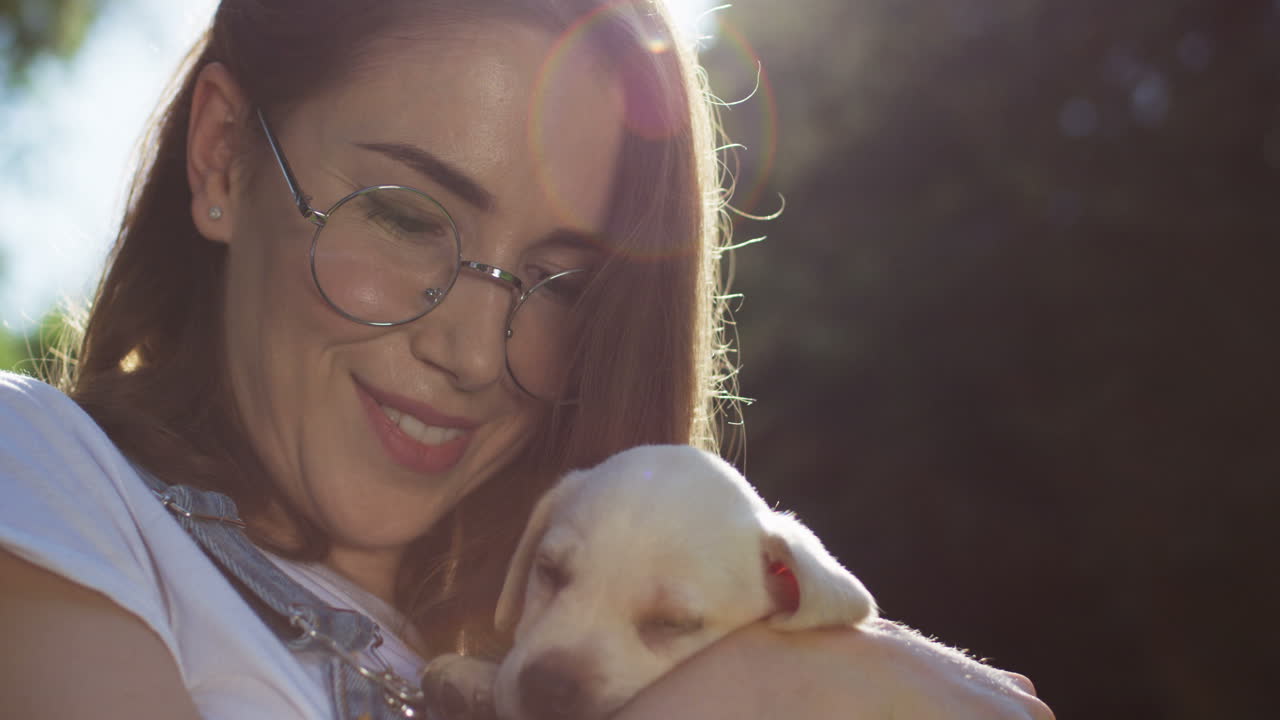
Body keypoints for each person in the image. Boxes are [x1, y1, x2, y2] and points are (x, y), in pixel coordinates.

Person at [0, 1, 1053, 718]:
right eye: (407, 217)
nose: (470, 349)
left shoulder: (512, 649)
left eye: (560, 283)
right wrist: (792, 688)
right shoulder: (44, 479)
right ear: (223, 155)